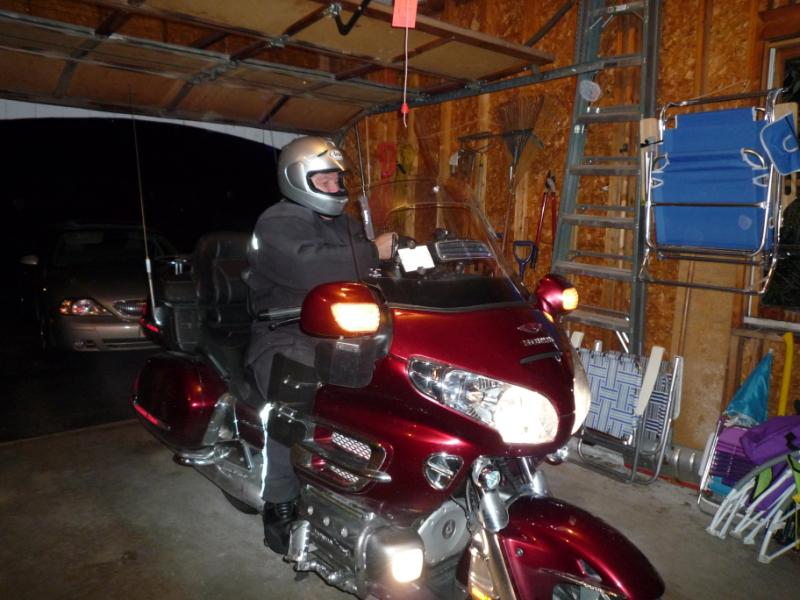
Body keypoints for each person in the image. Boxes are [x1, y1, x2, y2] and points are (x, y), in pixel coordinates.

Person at [244, 136, 394, 552]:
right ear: (297, 179)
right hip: (286, 332)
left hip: (346, 329)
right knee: (294, 394)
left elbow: (371, 268)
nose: (334, 186)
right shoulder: (277, 221)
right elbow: (308, 265)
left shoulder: (347, 223)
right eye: (323, 180)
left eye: (337, 179)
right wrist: (373, 252)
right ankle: (279, 499)